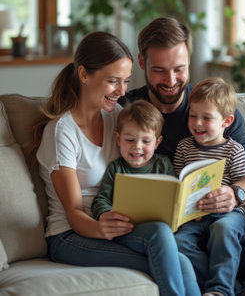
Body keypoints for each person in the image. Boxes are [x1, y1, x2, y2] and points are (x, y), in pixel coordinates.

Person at [33, 31, 200, 296]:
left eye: (125, 81)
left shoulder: (118, 117)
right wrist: (100, 227)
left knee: (175, 253)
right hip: (71, 235)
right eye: (113, 81)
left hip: (119, 223)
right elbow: (74, 213)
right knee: (172, 261)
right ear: (84, 75)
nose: (122, 91)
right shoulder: (61, 131)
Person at [118, 17, 245, 280]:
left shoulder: (217, 113)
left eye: (179, 69)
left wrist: (236, 194)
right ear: (141, 63)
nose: (170, 80)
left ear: (190, 61)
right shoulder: (125, 110)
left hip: (222, 225)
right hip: (168, 232)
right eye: (159, 70)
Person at [92, 99, 201, 296]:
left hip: (163, 232)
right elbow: (101, 199)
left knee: (184, 260)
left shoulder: (163, 165)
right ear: (117, 138)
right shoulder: (116, 168)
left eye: (146, 140)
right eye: (130, 140)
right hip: (127, 231)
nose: (137, 147)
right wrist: (105, 214)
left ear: (158, 142)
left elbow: (175, 196)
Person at [173, 77, 245, 296]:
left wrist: (233, 203)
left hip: (228, 215)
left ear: (226, 121)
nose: (197, 123)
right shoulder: (184, 147)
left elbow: (242, 190)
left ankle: (220, 291)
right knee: (178, 244)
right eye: (193, 115)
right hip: (193, 217)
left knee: (223, 229)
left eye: (206, 118)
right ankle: (236, 289)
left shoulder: (234, 151)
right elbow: (177, 183)